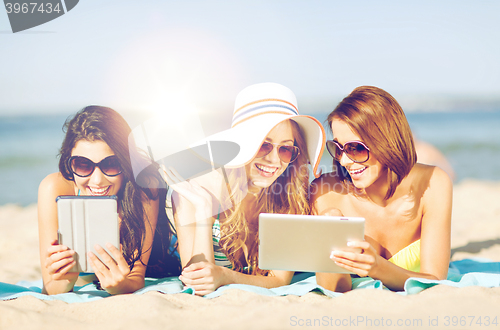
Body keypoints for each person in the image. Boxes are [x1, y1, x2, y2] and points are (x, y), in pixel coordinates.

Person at [162, 82, 326, 296]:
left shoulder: (290, 194)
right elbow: (197, 282)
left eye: (285, 149)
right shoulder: (199, 185)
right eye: (264, 145)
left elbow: (279, 280)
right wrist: (203, 209)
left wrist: (225, 276)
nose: (274, 160)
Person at [310, 86, 453, 292]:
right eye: (338, 148)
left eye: (356, 148)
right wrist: (329, 238)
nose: (345, 161)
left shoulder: (433, 183)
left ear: (386, 142)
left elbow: (435, 280)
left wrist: (377, 267)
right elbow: (333, 291)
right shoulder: (326, 194)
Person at [37, 105, 180, 295]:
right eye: (83, 165)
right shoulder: (53, 189)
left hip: (157, 258)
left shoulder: (144, 185)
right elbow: (51, 287)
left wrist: (120, 287)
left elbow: (136, 277)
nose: (97, 180)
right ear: (68, 160)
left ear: (126, 160)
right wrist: (63, 281)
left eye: (111, 164)